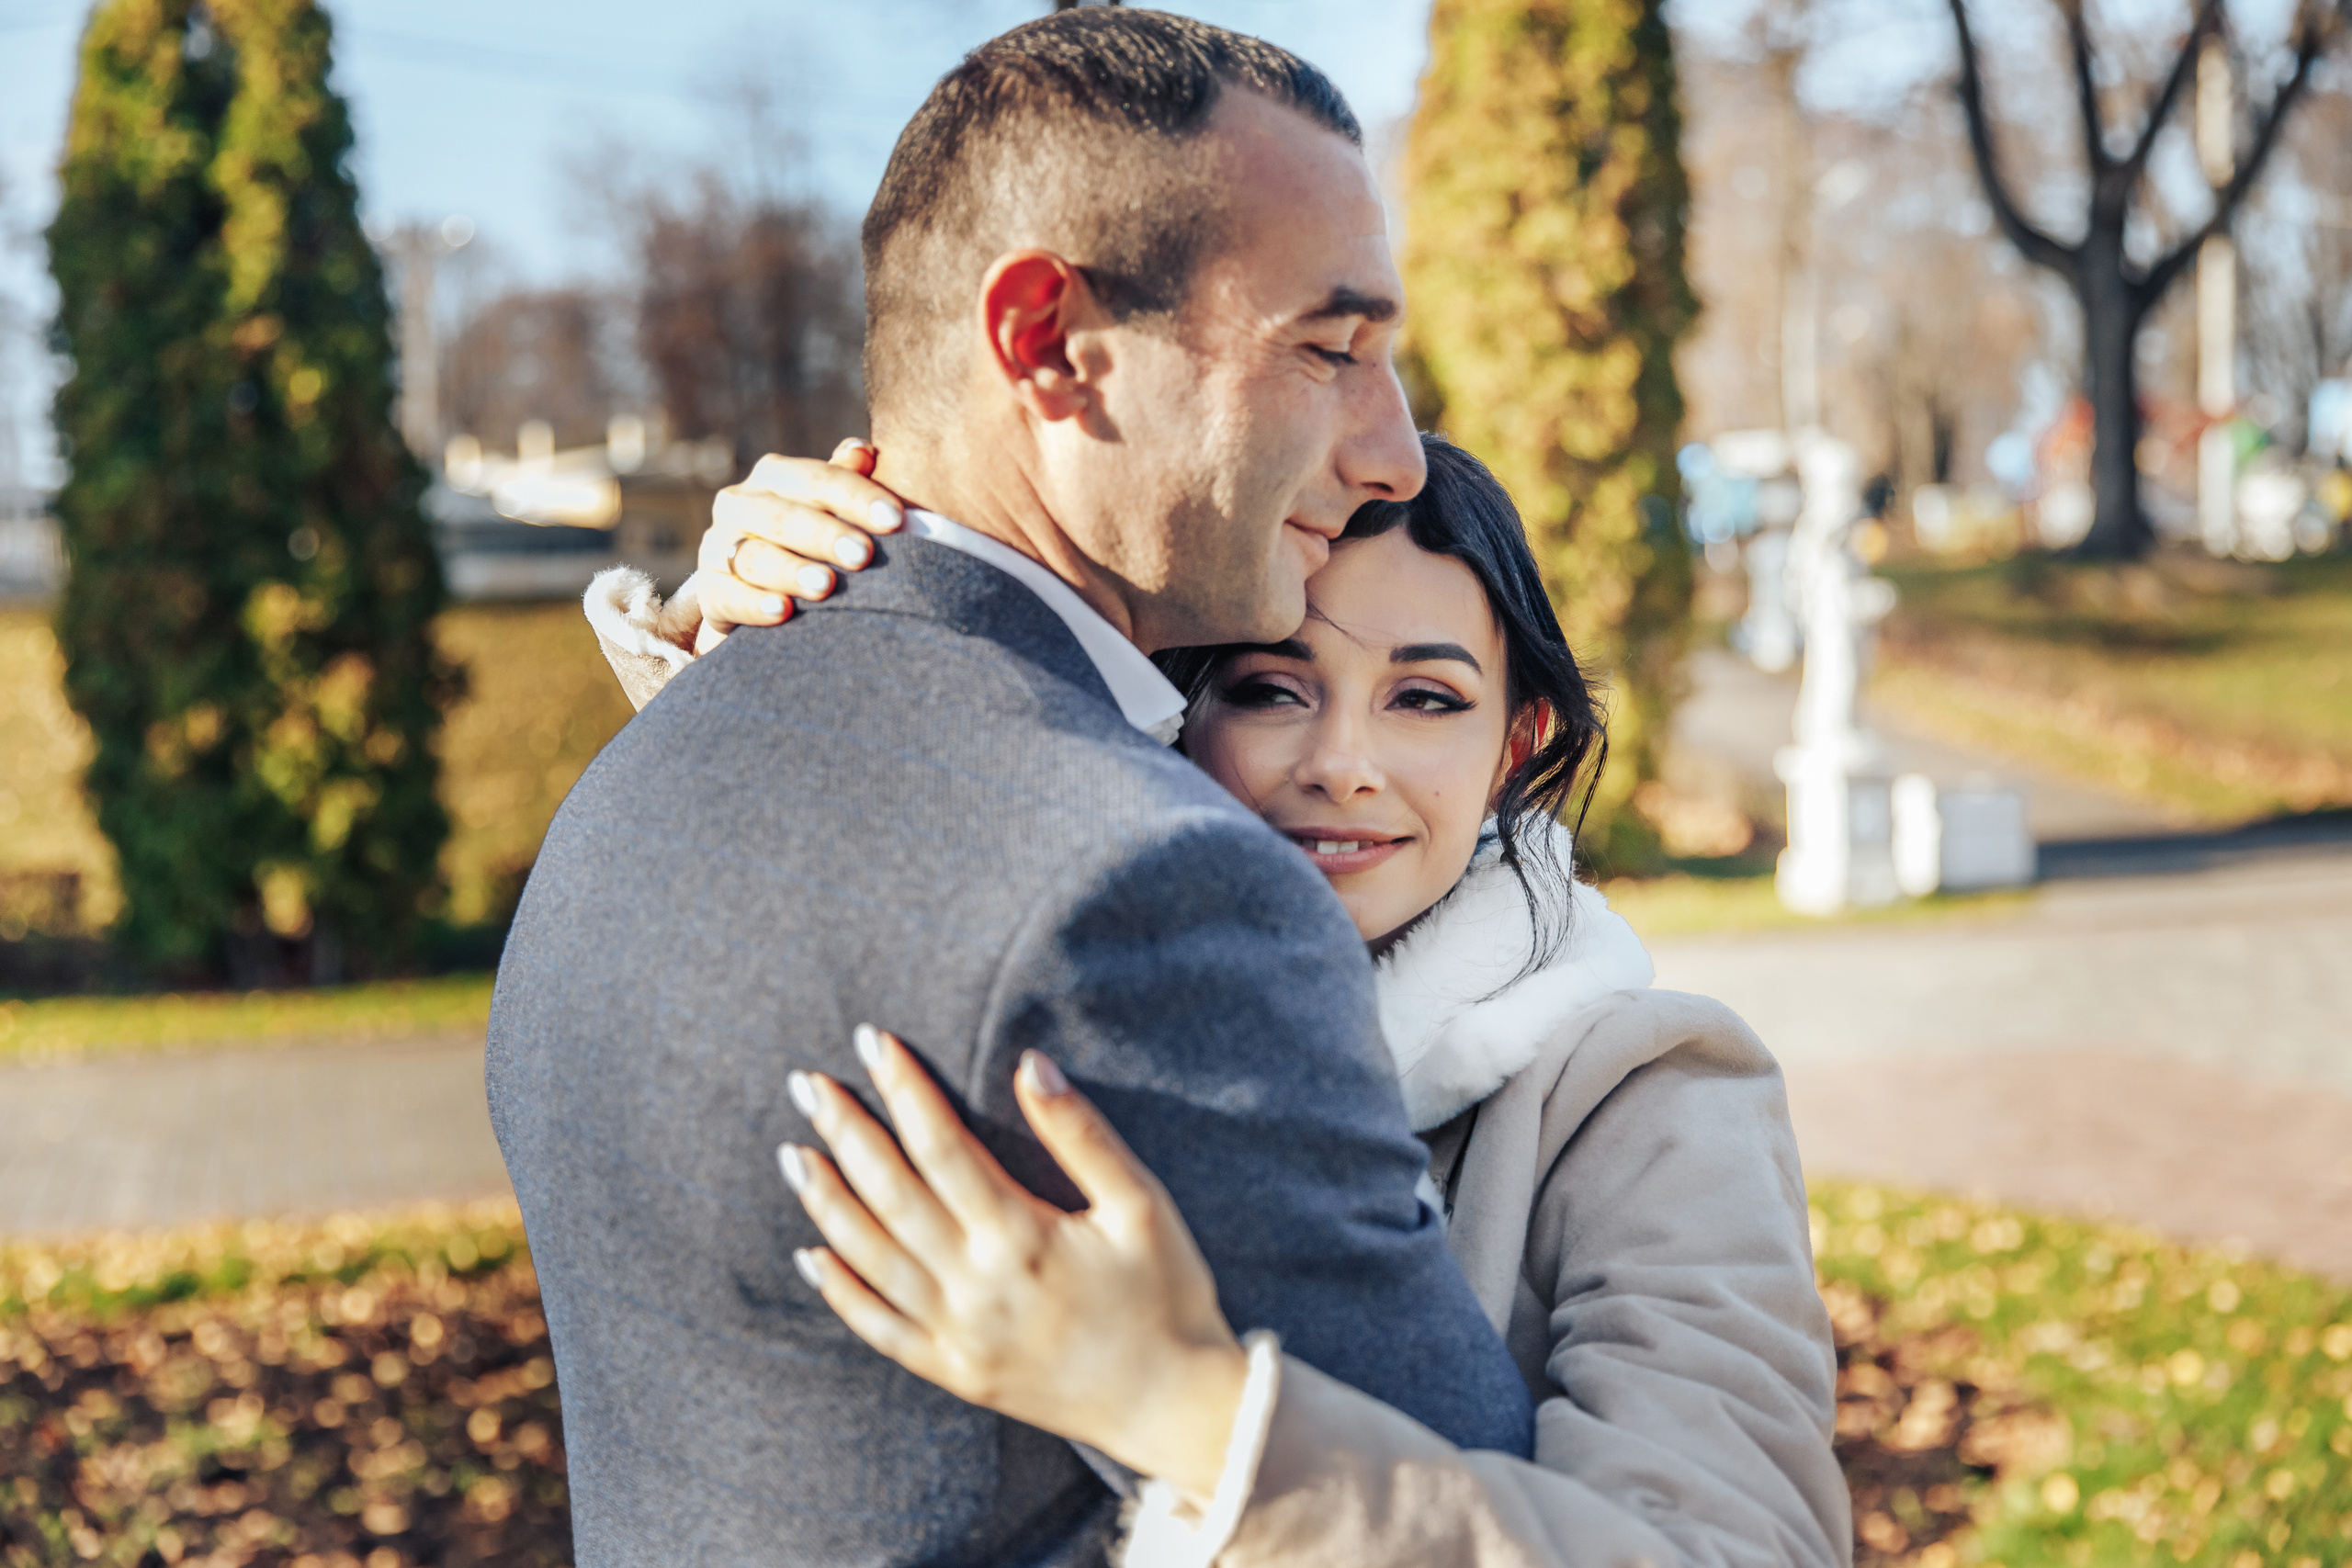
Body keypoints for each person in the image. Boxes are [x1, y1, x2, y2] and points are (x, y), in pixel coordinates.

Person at [489, 13, 1537, 1567]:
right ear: (1048, 343)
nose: (1395, 452)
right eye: (1331, 350)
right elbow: (1496, 1521)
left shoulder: (648, 766)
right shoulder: (1144, 895)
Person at [588, 437, 1849, 1567]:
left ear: (1516, 743)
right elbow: (859, 884)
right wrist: (754, 633)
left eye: (1426, 698)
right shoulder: (1107, 984)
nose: (1341, 766)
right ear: (1177, 715)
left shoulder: (1655, 1099)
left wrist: (1176, 1407)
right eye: (1269, 688)